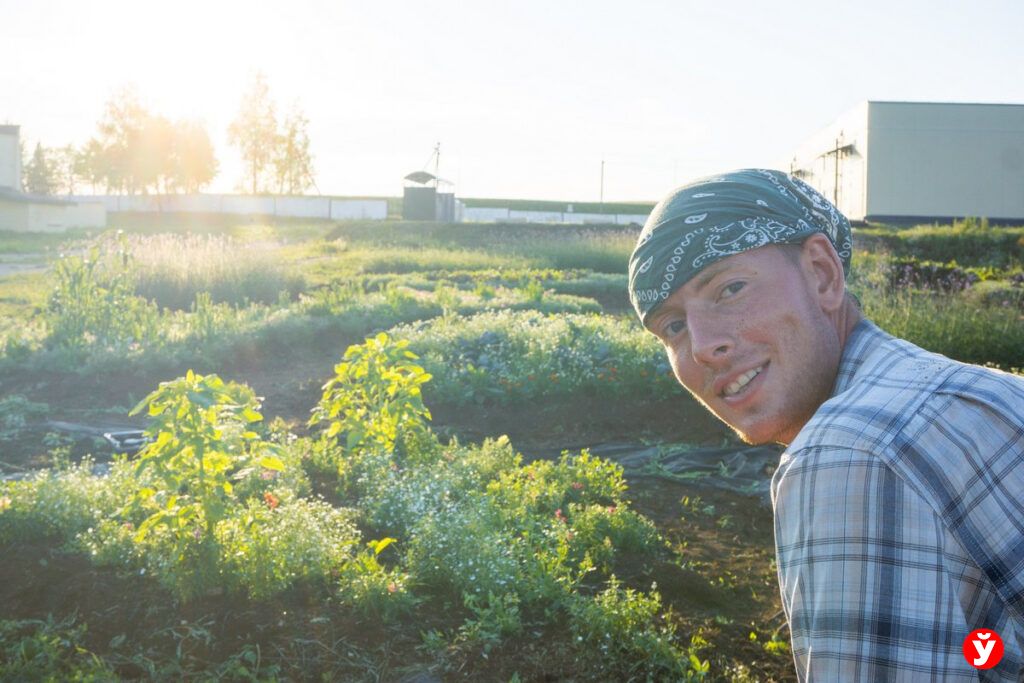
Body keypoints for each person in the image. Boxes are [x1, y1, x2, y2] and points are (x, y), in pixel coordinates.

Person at [627, 169, 1024, 681]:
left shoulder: (849, 452)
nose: (703, 346)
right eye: (673, 326)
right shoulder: (978, 390)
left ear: (822, 274)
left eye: (730, 288)